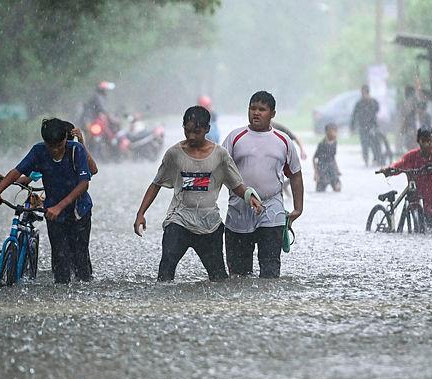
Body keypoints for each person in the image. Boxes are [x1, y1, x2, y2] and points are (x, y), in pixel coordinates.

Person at [133, 106, 262, 282]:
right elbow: (156, 184)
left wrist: (250, 197)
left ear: (207, 129)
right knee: (165, 274)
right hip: (179, 220)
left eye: (197, 131)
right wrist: (141, 213)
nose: (192, 136)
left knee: (219, 279)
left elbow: (236, 185)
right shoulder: (174, 154)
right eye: (187, 131)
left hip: (209, 224)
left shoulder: (220, 155)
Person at [0, 118, 94, 284]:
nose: (56, 150)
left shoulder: (77, 150)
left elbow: (84, 184)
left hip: (79, 212)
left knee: (80, 262)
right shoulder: (39, 151)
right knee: (60, 265)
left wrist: (59, 206)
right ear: (45, 143)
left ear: (65, 140)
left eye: (59, 146)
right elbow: (17, 172)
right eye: (51, 147)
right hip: (54, 215)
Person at [222, 91, 303, 279]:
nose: (256, 113)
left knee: (270, 273)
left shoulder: (283, 140)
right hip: (239, 209)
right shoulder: (235, 137)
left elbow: (296, 175)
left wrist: (298, 209)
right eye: (252, 108)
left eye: (262, 109)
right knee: (238, 276)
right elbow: (220, 171)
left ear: (272, 113)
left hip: (271, 209)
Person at [379, 126, 432, 228]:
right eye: (423, 141)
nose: (426, 145)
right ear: (418, 141)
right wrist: (388, 169)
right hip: (415, 201)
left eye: (429, 141)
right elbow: (399, 165)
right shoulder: (412, 156)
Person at [351, 84, 380, 166]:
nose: (363, 94)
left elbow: (377, 109)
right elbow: (354, 115)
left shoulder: (372, 101)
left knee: (374, 143)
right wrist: (352, 126)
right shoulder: (359, 103)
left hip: (372, 126)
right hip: (363, 127)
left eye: (364, 92)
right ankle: (366, 159)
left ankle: (375, 158)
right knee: (364, 144)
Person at [313, 123, 341, 192]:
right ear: (327, 132)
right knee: (320, 191)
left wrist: (337, 169)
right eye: (333, 132)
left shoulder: (335, 143)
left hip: (332, 169)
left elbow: (333, 157)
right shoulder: (322, 144)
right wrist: (316, 173)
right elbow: (314, 158)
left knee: (338, 188)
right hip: (322, 169)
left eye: (336, 131)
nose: (335, 134)